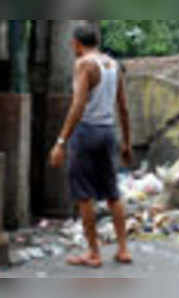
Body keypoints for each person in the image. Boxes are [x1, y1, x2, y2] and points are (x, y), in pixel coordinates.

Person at [49, 23, 132, 268]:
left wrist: (61, 141)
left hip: (86, 132)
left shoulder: (84, 64)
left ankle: (94, 253)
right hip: (108, 132)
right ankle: (123, 250)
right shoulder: (113, 65)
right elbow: (123, 107)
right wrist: (126, 142)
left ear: (76, 43)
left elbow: (78, 105)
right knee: (112, 193)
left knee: (83, 195)